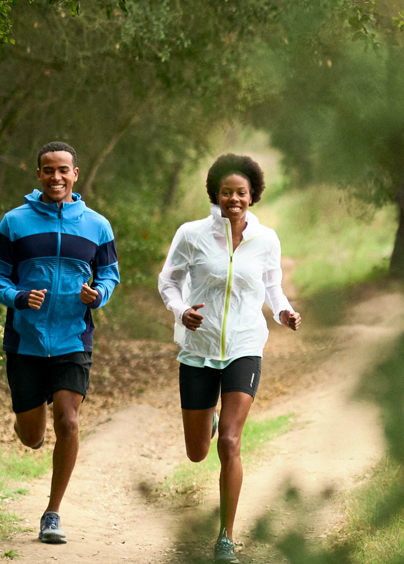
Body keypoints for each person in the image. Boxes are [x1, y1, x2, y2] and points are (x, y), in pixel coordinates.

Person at [158, 153, 300, 563]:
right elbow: (169, 282)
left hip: (244, 346)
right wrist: (180, 310)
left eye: (241, 192)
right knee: (197, 451)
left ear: (252, 196)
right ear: (215, 195)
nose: (234, 199)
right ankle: (210, 420)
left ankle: (226, 537)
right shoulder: (191, 234)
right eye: (226, 192)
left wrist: (284, 312)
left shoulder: (266, 239)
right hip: (197, 350)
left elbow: (272, 288)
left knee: (231, 443)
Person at [0, 141, 121, 545]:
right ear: (38, 175)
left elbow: (110, 274)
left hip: (72, 339)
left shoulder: (98, 225)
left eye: (64, 170)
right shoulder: (14, 222)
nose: (56, 177)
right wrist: (18, 297)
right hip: (25, 341)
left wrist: (99, 295)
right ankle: (31, 425)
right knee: (31, 436)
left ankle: (52, 513)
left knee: (69, 420)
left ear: (75, 174)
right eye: (48, 170)